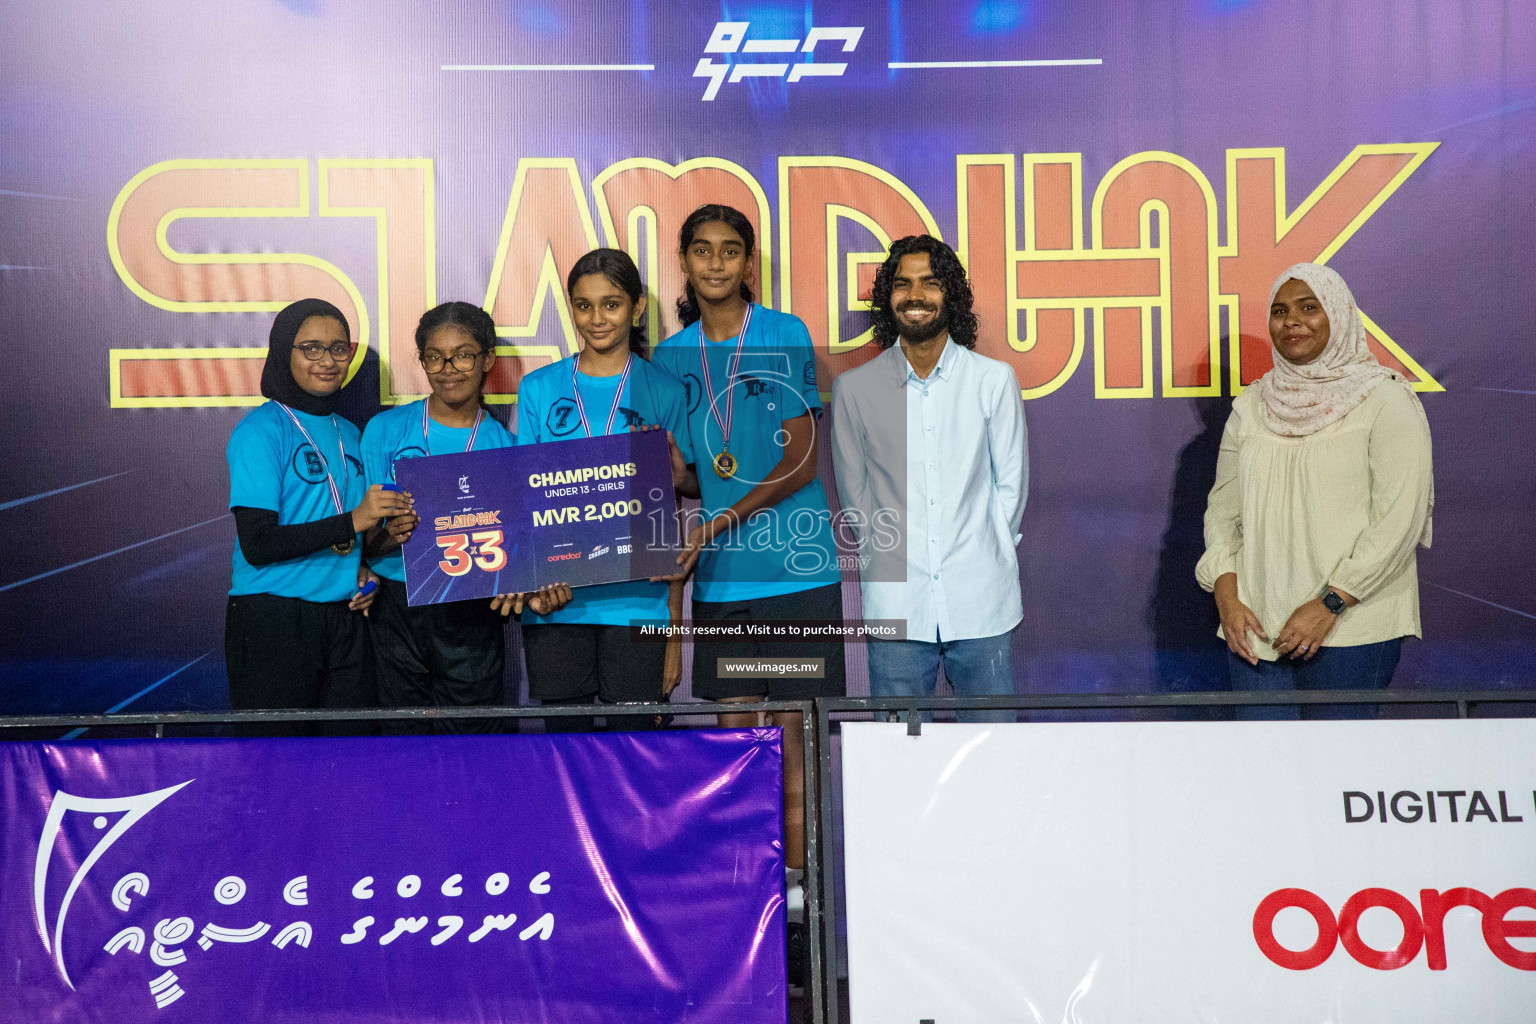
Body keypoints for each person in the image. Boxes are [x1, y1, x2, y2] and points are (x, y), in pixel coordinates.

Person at [652, 204, 844, 948]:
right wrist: (665, 471)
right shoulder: (669, 357)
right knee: (738, 739)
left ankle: (797, 903)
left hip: (795, 572)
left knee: (794, 737)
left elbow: (801, 459)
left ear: (748, 263)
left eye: (730, 251)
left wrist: (719, 516)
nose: (716, 264)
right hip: (723, 582)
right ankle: (747, 897)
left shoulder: (785, 334)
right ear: (686, 262)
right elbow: (695, 478)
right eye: (702, 251)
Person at [1196, 262, 1434, 719]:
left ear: (1339, 317)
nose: (1292, 321)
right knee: (1266, 779)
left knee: (1338, 779)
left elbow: (1398, 521)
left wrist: (1331, 603)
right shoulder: (1251, 407)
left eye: (1310, 308)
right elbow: (1222, 514)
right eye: (1280, 311)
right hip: (1257, 629)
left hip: (1352, 628)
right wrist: (1228, 601)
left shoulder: (1384, 400)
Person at [831, 235, 1028, 722]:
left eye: (930, 283)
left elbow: (1011, 487)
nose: (915, 296)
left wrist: (985, 547)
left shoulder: (992, 380)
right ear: (887, 297)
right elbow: (854, 497)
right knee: (897, 763)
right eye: (902, 284)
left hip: (982, 600)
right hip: (897, 603)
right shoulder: (855, 390)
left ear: (951, 295)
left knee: (993, 754)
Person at [359, 301, 568, 733]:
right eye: (434, 356)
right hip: (397, 606)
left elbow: (521, 549)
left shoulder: (508, 448)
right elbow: (365, 542)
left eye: (463, 354)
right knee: (401, 740)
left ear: (488, 358)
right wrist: (389, 537)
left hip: (472, 607)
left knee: (471, 742)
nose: (448, 368)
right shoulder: (385, 430)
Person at [514, 249, 689, 730]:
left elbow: (669, 514)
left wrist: (673, 631)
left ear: (635, 309)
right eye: (583, 305)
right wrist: (531, 583)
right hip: (557, 603)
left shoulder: (665, 390)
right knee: (566, 755)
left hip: (638, 605)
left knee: (634, 759)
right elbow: (521, 502)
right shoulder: (539, 389)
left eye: (611, 304)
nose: (596, 318)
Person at [224, 298, 407, 734]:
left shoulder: (350, 433)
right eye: (311, 348)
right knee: (277, 769)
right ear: (284, 352)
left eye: (338, 349)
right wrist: (353, 522)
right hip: (273, 619)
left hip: (345, 616)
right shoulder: (260, 431)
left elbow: (347, 534)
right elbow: (259, 544)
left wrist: (362, 568)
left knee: (348, 766)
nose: (327, 361)